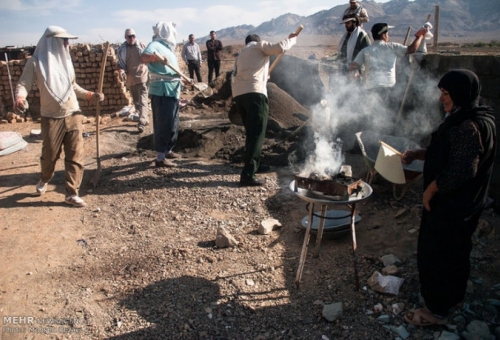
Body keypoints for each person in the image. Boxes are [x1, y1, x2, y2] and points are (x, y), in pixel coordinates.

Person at [401, 69, 496, 326]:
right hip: (466, 205)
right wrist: (420, 154)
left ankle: (436, 310)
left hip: (450, 207)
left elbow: (464, 169)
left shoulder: (467, 126)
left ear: (460, 94)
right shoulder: (475, 117)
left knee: (437, 254)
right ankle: (454, 297)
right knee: (457, 251)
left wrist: (431, 188)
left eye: (446, 94)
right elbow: (449, 152)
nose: (441, 99)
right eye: (441, 93)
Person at [14, 26, 105, 207]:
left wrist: (90, 95)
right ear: (53, 42)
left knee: (75, 155)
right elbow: (24, 83)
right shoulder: (36, 62)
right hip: (51, 117)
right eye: (64, 40)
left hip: (73, 114)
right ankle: (44, 178)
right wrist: (20, 97)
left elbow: (73, 86)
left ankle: (71, 193)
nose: (67, 44)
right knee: (50, 156)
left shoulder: (66, 62)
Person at [231, 32, 298, 186]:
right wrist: (292, 39)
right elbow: (280, 47)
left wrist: (263, 77)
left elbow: (238, 75)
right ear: (256, 41)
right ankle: (248, 175)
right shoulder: (259, 46)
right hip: (255, 94)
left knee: (251, 132)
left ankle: (256, 164)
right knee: (257, 133)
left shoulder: (241, 55)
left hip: (239, 95)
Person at [141, 22, 190, 167]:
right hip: (162, 90)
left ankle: (168, 150)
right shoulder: (155, 45)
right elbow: (143, 57)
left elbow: (172, 71)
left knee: (173, 123)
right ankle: (160, 158)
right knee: (163, 123)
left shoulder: (168, 48)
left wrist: (182, 80)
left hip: (173, 90)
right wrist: (155, 58)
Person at [117, 28, 149, 133]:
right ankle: (144, 118)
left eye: (133, 36)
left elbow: (148, 58)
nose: (132, 38)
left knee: (143, 100)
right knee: (136, 102)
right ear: (125, 37)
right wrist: (121, 70)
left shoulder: (141, 46)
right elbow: (121, 64)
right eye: (129, 36)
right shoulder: (122, 50)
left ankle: (142, 122)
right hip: (131, 79)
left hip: (142, 76)